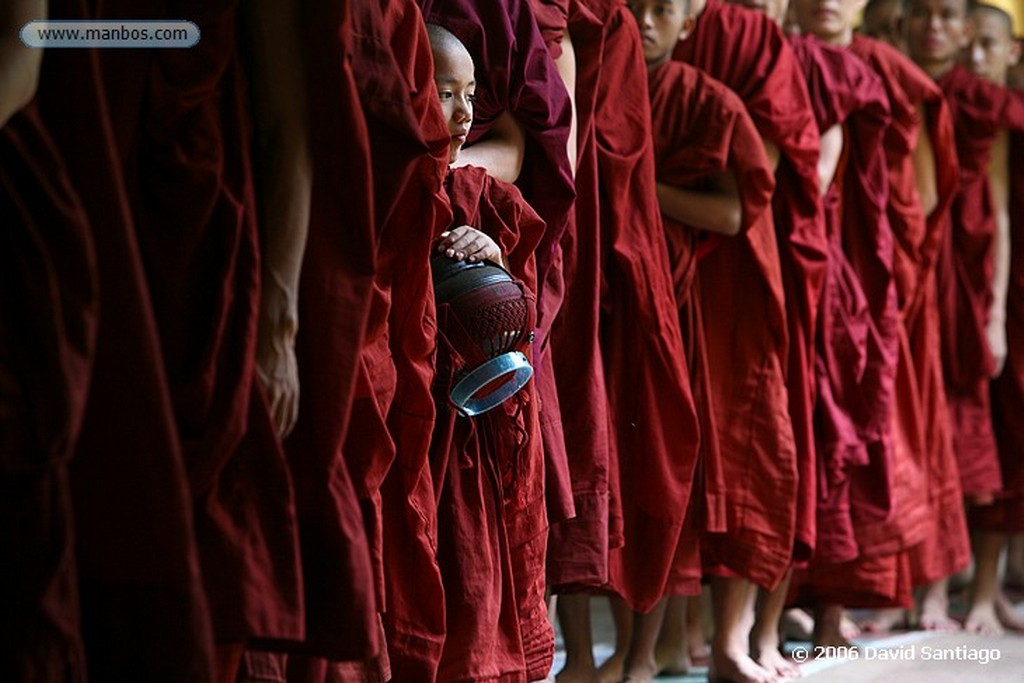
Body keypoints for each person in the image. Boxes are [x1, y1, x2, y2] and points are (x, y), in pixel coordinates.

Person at [670, 0, 826, 679]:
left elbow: (764, 168)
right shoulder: (717, 29)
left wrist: (647, 189)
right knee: (705, 437)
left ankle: (728, 639)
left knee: (738, 433)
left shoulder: (743, 35)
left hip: (734, 256)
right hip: (694, 251)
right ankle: (696, 641)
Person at [960, 0, 1024, 633]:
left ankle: (989, 590)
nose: (974, 57)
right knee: (989, 441)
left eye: (989, 45)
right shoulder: (975, 108)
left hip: (1004, 296)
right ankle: (970, 592)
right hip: (985, 293)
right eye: (967, 42)